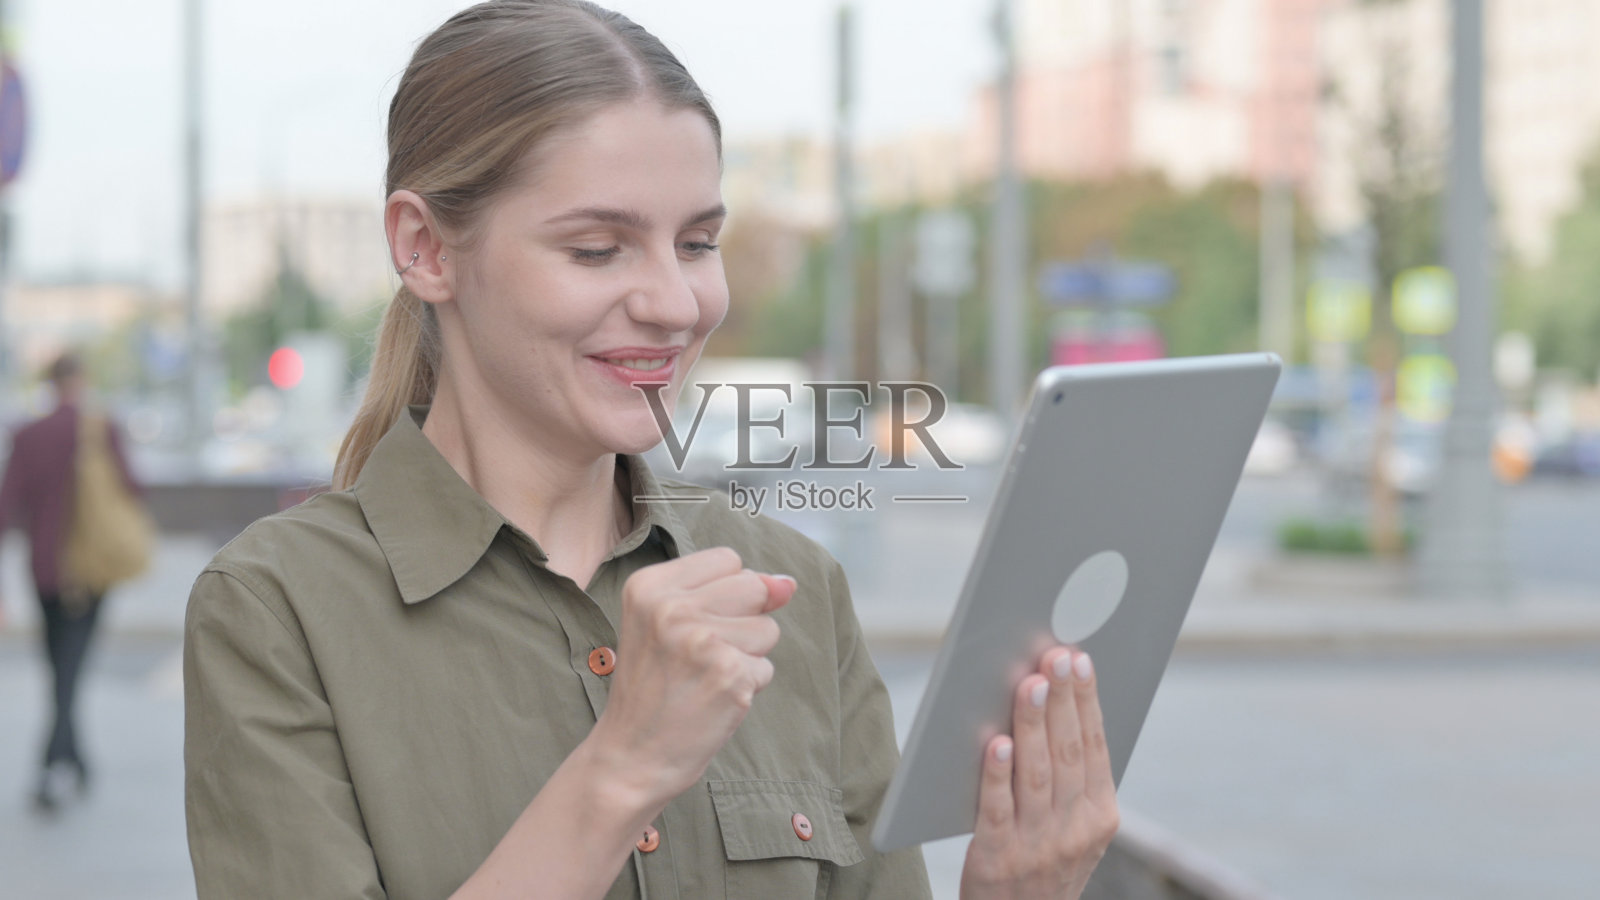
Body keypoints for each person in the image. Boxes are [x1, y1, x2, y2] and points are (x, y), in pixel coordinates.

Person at [182, 2, 1120, 898]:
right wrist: (622, 769)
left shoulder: (791, 589)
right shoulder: (278, 611)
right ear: (426, 249)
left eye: (698, 242)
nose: (675, 304)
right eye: (598, 249)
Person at [0, 351, 143, 811]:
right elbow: (133, 489)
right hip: (91, 567)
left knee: (60, 665)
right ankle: (52, 766)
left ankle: (73, 759)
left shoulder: (27, 434)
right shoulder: (102, 429)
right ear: (81, 381)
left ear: (49, 383)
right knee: (71, 668)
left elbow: (6, 511)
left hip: (44, 570)